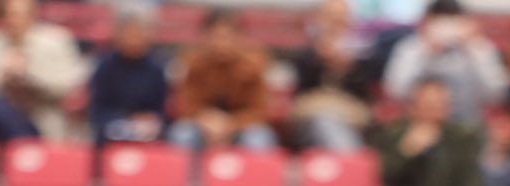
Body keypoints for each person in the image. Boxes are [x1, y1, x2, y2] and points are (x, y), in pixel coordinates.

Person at [0, 0, 86, 143]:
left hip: (43, 122)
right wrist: (3, 76)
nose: (12, 20)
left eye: (18, 15)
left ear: (33, 15)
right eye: (7, 14)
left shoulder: (56, 42)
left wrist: (29, 76)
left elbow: (68, 88)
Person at [167, 7, 278, 153]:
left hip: (241, 128)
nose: (221, 43)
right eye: (216, 36)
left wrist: (230, 124)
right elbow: (185, 105)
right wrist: (205, 119)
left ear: (240, 37)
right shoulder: (193, 64)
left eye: (227, 37)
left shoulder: (253, 66)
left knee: (259, 139)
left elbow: (261, 111)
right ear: (205, 36)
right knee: (181, 134)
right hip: (203, 125)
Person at [376, 76, 491, 186]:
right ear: (414, 108)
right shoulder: (396, 134)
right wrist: (406, 152)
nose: (435, 113)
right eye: (429, 106)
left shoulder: (462, 138)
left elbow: (471, 177)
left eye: (441, 106)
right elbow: (384, 177)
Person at [384, 0, 509, 126]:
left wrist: (473, 49)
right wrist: (426, 51)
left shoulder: (480, 48)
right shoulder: (411, 48)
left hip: (467, 125)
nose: (446, 30)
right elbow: (395, 92)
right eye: (440, 23)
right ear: (427, 23)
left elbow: (496, 94)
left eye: (451, 23)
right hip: (421, 124)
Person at [289, 0, 376, 151]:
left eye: (341, 18)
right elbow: (302, 88)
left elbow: (366, 94)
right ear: (320, 19)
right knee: (325, 121)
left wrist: (348, 69)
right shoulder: (306, 52)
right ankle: (350, 163)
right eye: (331, 18)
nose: (336, 24)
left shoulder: (364, 54)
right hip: (313, 112)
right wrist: (320, 60)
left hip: (351, 114)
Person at [87, 6, 170, 143]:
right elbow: (97, 110)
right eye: (129, 33)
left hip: (147, 131)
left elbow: (161, 110)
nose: (134, 39)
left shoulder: (157, 69)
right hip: (112, 128)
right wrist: (126, 121)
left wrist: (150, 120)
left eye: (139, 33)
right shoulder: (104, 67)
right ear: (118, 34)